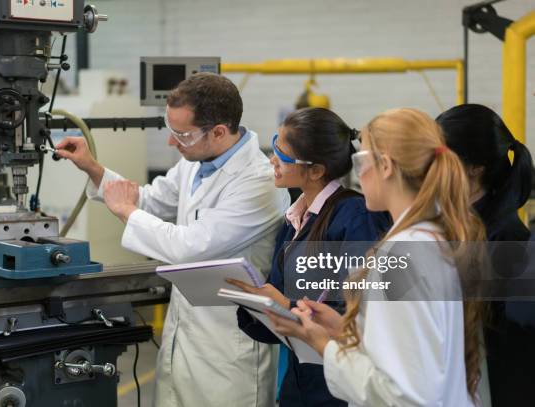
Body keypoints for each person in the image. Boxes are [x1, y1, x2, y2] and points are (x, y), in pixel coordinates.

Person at [55, 72, 290, 407]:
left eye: (181, 134)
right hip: (184, 339)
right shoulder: (196, 162)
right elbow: (148, 200)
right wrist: (94, 169)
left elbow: (191, 247)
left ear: (219, 132)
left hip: (229, 349)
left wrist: (125, 212)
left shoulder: (258, 182)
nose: (171, 143)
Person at [265, 108, 488, 406]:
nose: (358, 173)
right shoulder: (429, 241)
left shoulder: (401, 256)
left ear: (384, 166)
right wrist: (346, 329)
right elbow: (417, 350)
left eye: (361, 160)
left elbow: (401, 394)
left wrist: (324, 345)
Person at [227, 107, 389, 407]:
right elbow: (281, 302)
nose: (273, 160)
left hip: (337, 389)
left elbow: (354, 313)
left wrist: (284, 305)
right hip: (299, 384)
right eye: (275, 146)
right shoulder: (294, 220)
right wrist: (253, 302)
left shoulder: (354, 218)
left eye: (284, 155)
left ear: (315, 170)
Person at [436, 104, 535, 406]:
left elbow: (507, 347)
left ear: (473, 168)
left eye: (439, 157)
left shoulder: (506, 240)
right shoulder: (453, 227)